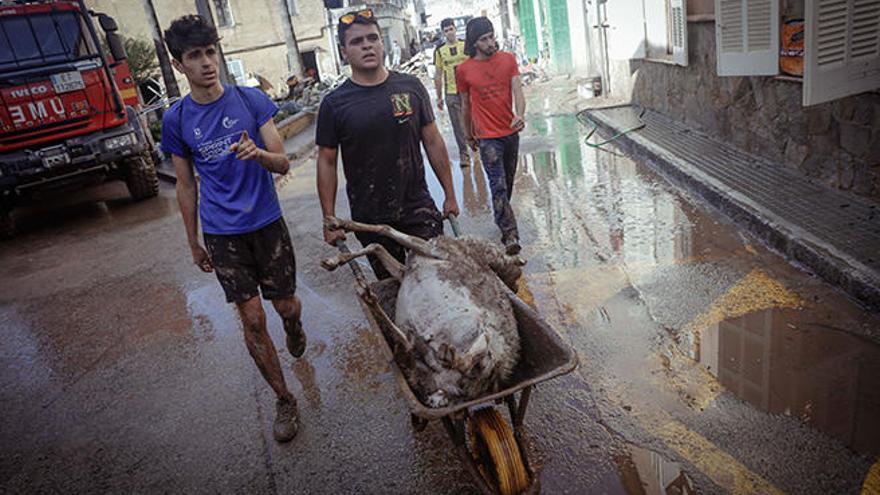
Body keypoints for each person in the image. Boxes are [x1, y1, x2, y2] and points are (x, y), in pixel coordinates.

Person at [161, 15, 305, 443]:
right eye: (194, 56)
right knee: (253, 318)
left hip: (267, 224)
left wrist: (257, 153)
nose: (207, 63)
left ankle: (295, 327)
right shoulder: (177, 119)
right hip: (223, 234)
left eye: (210, 52)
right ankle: (284, 399)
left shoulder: (250, 100)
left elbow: (283, 162)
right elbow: (185, 186)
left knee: (285, 308)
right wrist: (193, 242)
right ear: (179, 64)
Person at [315, 9, 459, 279]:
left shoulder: (410, 87)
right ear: (344, 52)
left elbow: (432, 141)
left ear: (382, 43)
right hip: (369, 217)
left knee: (435, 280)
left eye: (372, 38)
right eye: (357, 42)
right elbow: (327, 161)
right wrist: (329, 219)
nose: (367, 45)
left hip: (417, 208)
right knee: (393, 287)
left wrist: (449, 194)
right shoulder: (335, 104)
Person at [456, 17, 526, 255]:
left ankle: (502, 217)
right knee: (497, 185)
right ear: (475, 43)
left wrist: (521, 114)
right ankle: (510, 234)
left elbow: (517, 88)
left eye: (491, 36)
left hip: (510, 132)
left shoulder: (508, 60)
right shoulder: (464, 70)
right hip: (487, 137)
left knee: (506, 182)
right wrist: (468, 134)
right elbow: (465, 105)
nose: (490, 42)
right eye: (484, 39)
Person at [434, 17, 476, 168]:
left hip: (469, 91)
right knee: (457, 125)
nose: (449, 33)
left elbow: (475, 65)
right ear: (443, 33)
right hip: (451, 92)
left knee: (473, 120)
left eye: (451, 29)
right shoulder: (440, 51)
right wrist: (439, 97)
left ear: (455, 29)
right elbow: (438, 74)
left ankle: (477, 146)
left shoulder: (465, 46)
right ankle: (464, 154)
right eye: (446, 31)